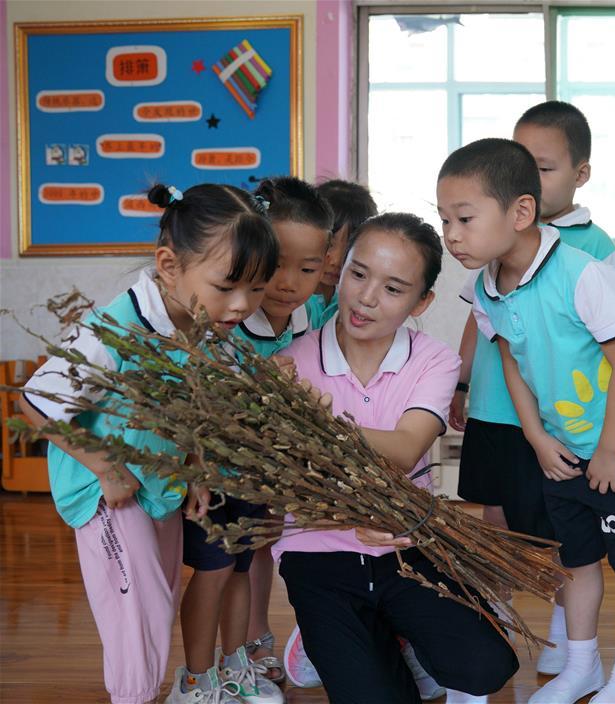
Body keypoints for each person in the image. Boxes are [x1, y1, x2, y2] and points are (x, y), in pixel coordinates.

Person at [439, 138, 615, 704]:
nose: (451, 234)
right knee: (574, 559)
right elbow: (512, 363)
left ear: (520, 212)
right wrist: (537, 437)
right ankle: (582, 667)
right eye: (445, 219)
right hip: (563, 448)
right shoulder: (485, 287)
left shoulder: (583, 274)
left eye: (465, 218)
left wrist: (612, 450)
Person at [21, 182, 280, 704]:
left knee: (157, 603)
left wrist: (197, 467)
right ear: (168, 265)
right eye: (228, 286)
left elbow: (192, 407)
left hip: (158, 484)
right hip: (107, 493)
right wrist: (104, 466)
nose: (242, 305)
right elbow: (35, 400)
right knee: (137, 616)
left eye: (256, 289)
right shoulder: (116, 326)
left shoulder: (204, 325)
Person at [273, 212, 519, 704]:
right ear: (339, 270)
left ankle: (394, 633)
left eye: (393, 288)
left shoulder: (435, 360)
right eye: (358, 274)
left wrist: (321, 416)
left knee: (486, 667)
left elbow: (407, 448)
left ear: (421, 301)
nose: (366, 298)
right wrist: (350, 516)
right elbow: (291, 475)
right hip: (318, 552)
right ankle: (324, 639)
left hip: (411, 543)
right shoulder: (289, 363)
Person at [452, 101, 615, 675]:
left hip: (550, 422)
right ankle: (492, 625)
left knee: (554, 528)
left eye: (542, 165)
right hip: (495, 411)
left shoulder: (589, 247)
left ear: (580, 173)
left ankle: (564, 628)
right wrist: (459, 381)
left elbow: (608, 345)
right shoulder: (493, 249)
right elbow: (483, 325)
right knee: (498, 521)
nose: (529, 173)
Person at [232, 177, 334, 685]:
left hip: (289, 460)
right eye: (275, 265)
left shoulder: (312, 315)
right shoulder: (229, 321)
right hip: (233, 461)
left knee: (275, 539)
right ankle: (247, 641)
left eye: (308, 268)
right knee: (244, 546)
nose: (289, 282)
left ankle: (286, 635)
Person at [305, 179, 378, 329]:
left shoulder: (353, 302)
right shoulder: (287, 298)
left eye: (349, 248)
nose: (337, 261)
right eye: (329, 244)